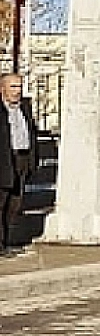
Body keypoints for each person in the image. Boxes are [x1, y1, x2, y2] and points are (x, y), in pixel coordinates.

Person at [0, 74, 39, 258]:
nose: (17, 91)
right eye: (13, 87)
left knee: (14, 204)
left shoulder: (25, 107)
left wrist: (33, 160)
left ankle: (6, 242)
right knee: (1, 203)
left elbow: (31, 132)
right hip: (5, 160)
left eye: (19, 87)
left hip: (22, 159)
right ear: (2, 89)